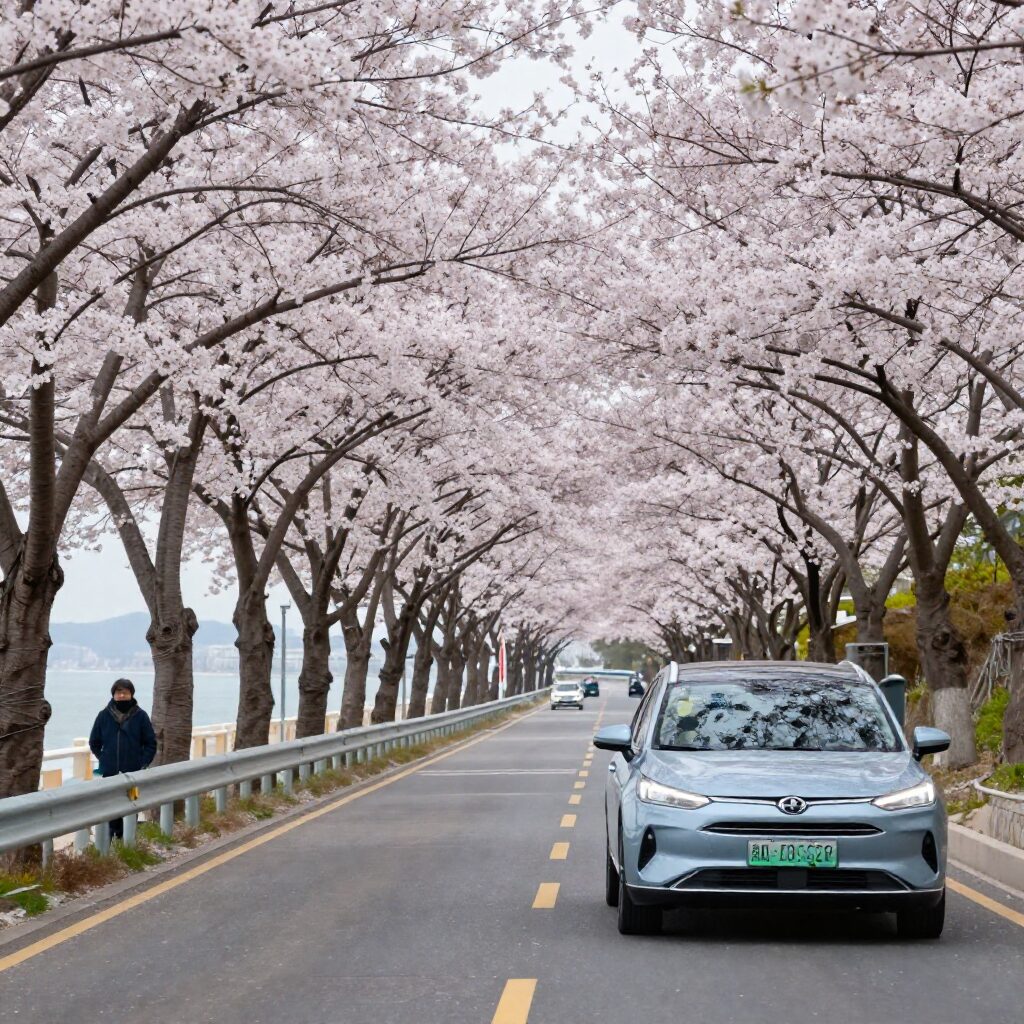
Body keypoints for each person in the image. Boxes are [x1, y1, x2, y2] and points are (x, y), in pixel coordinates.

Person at [88, 679, 157, 840]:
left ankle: (127, 842)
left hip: (133, 774)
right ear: (113, 694)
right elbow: (94, 742)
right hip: (109, 774)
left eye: (125, 692)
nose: (121, 695)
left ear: (131, 694)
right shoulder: (104, 715)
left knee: (132, 806)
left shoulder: (140, 716)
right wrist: (104, 759)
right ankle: (111, 843)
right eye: (118, 692)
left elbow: (150, 743)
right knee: (111, 809)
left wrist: (143, 763)